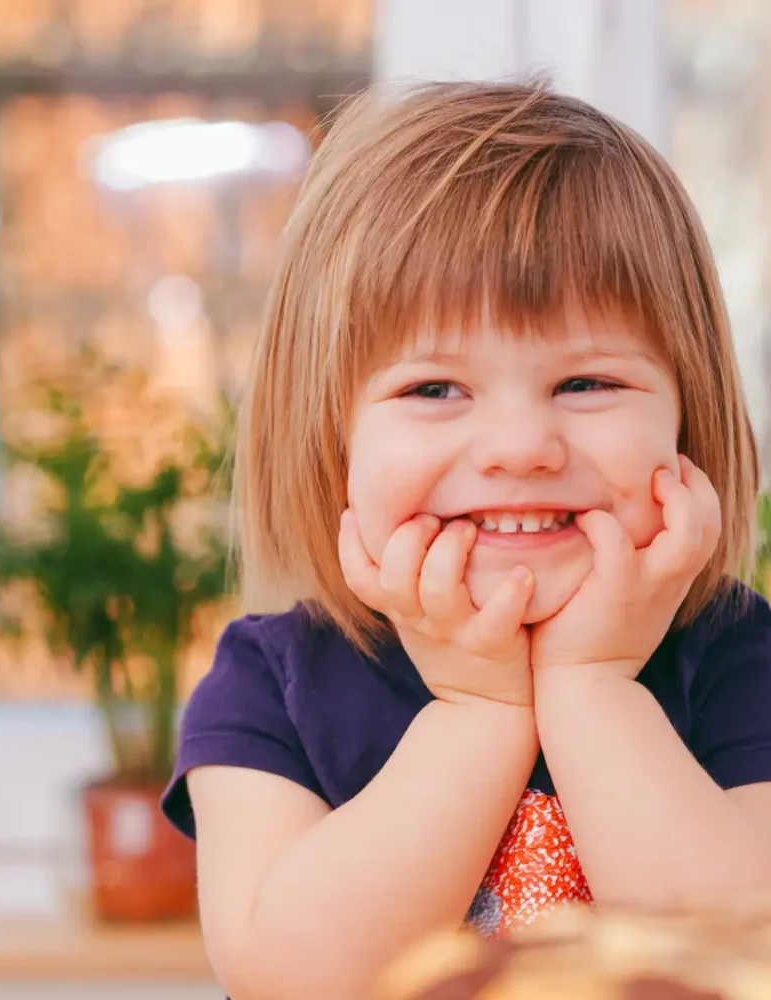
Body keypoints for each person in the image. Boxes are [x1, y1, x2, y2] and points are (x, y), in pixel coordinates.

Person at [160, 80, 771, 1000]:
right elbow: (293, 978)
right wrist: (476, 714)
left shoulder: (741, 660)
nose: (522, 449)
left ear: (689, 421)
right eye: (435, 390)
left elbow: (747, 954)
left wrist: (592, 686)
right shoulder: (271, 686)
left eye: (588, 383)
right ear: (333, 438)